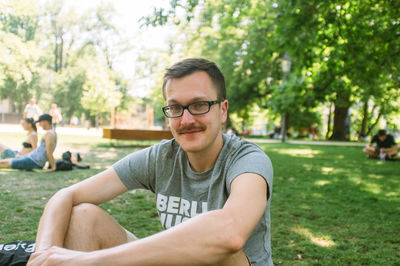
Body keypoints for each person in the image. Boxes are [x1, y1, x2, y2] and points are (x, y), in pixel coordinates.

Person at [27, 58, 273, 266]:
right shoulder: (161, 157)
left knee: (223, 254)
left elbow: (229, 234)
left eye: (199, 105)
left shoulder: (248, 160)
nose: (186, 119)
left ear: (222, 110)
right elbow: (66, 195)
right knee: (83, 217)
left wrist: (83, 261)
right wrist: (44, 254)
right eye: (175, 108)